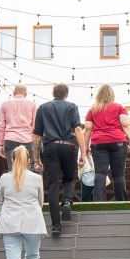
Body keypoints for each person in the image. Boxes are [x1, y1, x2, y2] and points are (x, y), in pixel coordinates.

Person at [33, 83, 86, 237]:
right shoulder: (72, 107)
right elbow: (78, 129)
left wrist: (36, 158)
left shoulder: (43, 108)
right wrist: (83, 152)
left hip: (50, 148)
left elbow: (37, 136)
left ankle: (56, 226)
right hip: (69, 146)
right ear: (66, 94)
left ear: (53, 93)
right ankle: (67, 201)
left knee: (53, 186)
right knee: (69, 178)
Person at [86, 84, 130, 202]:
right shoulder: (119, 108)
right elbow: (125, 124)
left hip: (98, 143)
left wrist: (85, 147)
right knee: (118, 175)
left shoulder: (92, 109)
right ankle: (122, 202)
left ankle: (98, 202)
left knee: (100, 173)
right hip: (118, 142)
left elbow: (87, 129)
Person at [0, 84, 35, 163]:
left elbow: (1, 126)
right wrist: (33, 144)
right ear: (26, 94)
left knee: (12, 167)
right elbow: (35, 126)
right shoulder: (33, 105)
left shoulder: (4, 104)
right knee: (26, 168)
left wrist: (0, 144)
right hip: (27, 139)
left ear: (13, 93)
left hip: (10, 139)